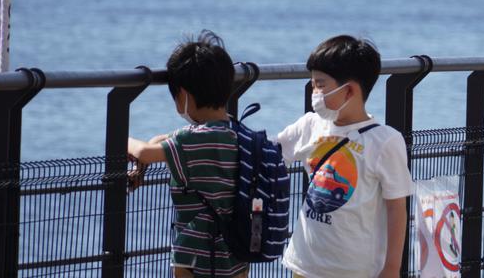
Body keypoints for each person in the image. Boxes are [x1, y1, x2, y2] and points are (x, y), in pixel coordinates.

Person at [276, 35, 412, 278]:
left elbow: (397, 208)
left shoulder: (385, 141)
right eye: (312, 84)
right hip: (304, 266)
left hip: (356, 271)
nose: (314, 93)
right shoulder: (310, 125)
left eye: (320, 85)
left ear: (349, 90)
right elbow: (270, 155)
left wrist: (392, 268)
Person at [127, 31, 248, 278]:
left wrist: (119, 137)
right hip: (237, 249)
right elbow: (166, 141)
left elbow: (142, 151)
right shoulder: (239, 133)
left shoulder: (190, 141)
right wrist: (151, 148)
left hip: (194, 254)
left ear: (182, 95)